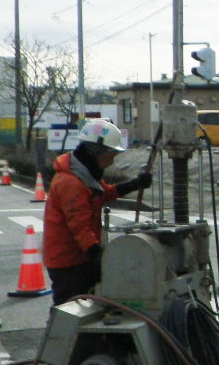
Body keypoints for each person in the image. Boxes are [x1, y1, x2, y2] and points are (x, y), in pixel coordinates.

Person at [42, 119, 152, 305]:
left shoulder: (84, 174)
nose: (111, 161)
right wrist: (101, 257)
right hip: (68, 262)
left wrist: (135, 184)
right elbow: (80, 227)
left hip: (78, 258)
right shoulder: (71, 182)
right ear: (97, 151)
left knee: (86, 307)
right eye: (111, 154)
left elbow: (104, 193)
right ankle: (59, 335)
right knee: (69, 311)